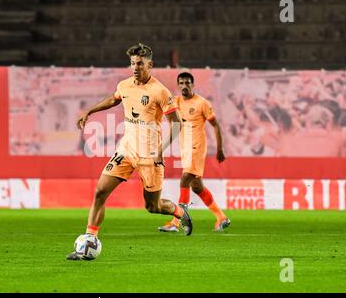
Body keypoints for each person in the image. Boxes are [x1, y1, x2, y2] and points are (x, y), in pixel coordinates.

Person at [67, 43, 193, 260]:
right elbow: (114, 99)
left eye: (140, 64)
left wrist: (161, 150)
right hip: (126, 150)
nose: (135, 67)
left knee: (152, 206)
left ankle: (179, 212)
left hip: (150, 155)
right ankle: (89, 239)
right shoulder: (125, 85)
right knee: (100, 192)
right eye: (133, 63)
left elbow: (176, 123)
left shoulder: (159, 91)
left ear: (150, 65)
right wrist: (90, 110)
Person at [158, 72, 230, 233]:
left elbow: (216, 125)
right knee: (197, 187)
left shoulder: (202, 103)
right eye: (181, 83)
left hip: (197, 147)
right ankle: (221, 217)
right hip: (185, 148)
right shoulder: (175, 101)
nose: (184, 86)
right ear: (178, 85)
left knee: (185, 179)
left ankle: (177, 222)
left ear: (193, 85)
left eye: (187, 83)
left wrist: (219, 148)